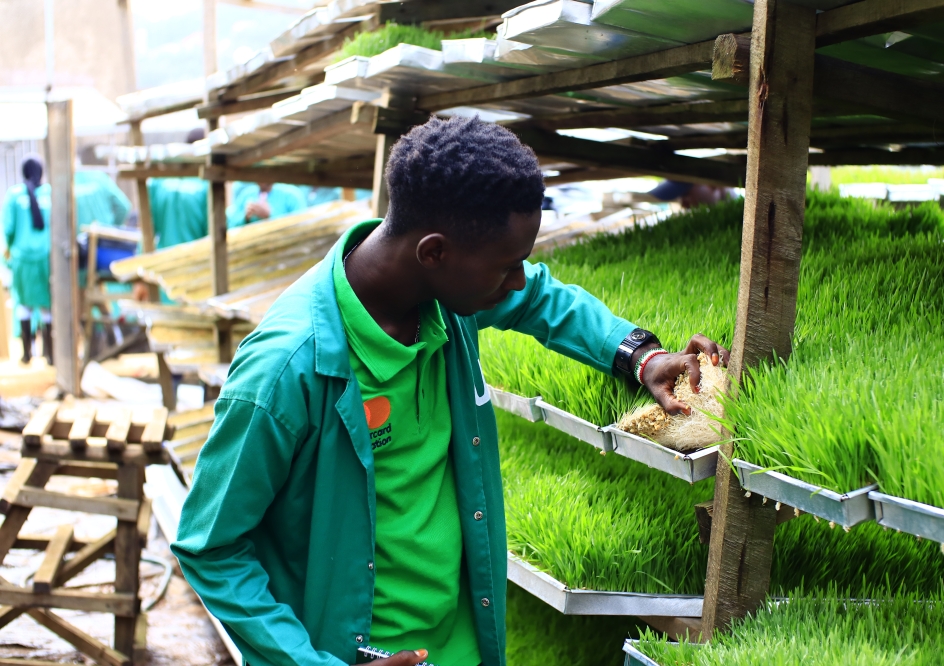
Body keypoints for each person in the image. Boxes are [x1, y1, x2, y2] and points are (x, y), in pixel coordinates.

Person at [172, 117, 729, 666]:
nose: (517, 280)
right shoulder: (285, 369)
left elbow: (539, 298)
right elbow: (211, 548)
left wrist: (641, 356)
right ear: (434, 253)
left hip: (465, 640)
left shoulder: (444, 299)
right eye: (507, 267)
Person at [2, 156, 53, 365]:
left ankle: (27, 354)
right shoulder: (50, 193)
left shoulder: (14, 195)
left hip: (22, 259)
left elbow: (7, 230)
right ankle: (50, 355)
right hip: (47, 258)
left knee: (23, 304)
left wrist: (7, 255)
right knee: (47, 305)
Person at [148, 128, 209, 249]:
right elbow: (211, 233)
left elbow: (147, 229)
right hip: (194, 261)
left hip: (162, 259)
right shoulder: (205, 186)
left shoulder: (159, 182)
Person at [226, 181, 307, 228]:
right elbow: (229, 224)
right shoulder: (247, 195)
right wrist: (245, 217)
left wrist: (270, 215)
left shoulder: (291, 195)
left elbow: (303, 225)